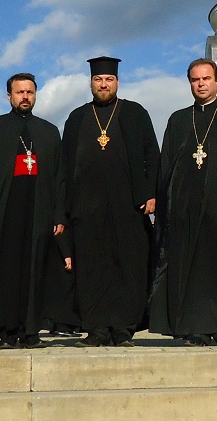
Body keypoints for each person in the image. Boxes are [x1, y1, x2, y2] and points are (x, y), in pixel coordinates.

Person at [149, 58, 217, 346]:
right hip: (185, 208)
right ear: (190, 83)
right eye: (195, 80)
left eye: (206, 78)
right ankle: (194, 327)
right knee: (191, 269)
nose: (201, 84)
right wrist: (162, 205)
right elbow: (166, 165)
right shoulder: (179, 120)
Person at [61, 56, 159, 347]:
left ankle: (123, 328)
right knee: (91, 269)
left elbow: (152, 155)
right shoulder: (77, 117)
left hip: (128, 205)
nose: (103, 84)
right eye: (98, 80)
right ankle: (96, 329)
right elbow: (65, 165)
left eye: (108, 80)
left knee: (127, 266)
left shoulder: (134, 113)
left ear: (117, 82)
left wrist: (151, 193)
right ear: (91, 83)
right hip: (86, 207)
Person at [0, 73, 65, 348]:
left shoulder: (48, 131)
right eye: (20, 92)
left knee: (36, 271)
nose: (25, 97)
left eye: (30, 92)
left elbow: (59, 177)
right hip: (5, 211)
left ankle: (32, 331)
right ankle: (8, 332)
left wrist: (59, 214)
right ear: (9, 95)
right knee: (6, 272)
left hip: (38, 210)